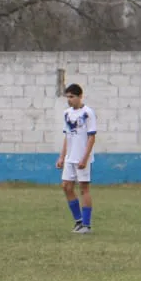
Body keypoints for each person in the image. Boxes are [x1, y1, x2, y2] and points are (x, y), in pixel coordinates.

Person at [56, 83, 97, 234]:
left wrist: (85, 158)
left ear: (80, 96)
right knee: (66, 186)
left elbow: (91, 137)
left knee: (84, 189)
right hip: (69, 157)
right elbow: (67, 136)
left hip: (82, 157)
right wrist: (62, 157)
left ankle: (86, 225)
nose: (69, 100)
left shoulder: (88, 113)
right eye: (67, 97)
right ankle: (78, 221)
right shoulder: (66, 113)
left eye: (72, 97)